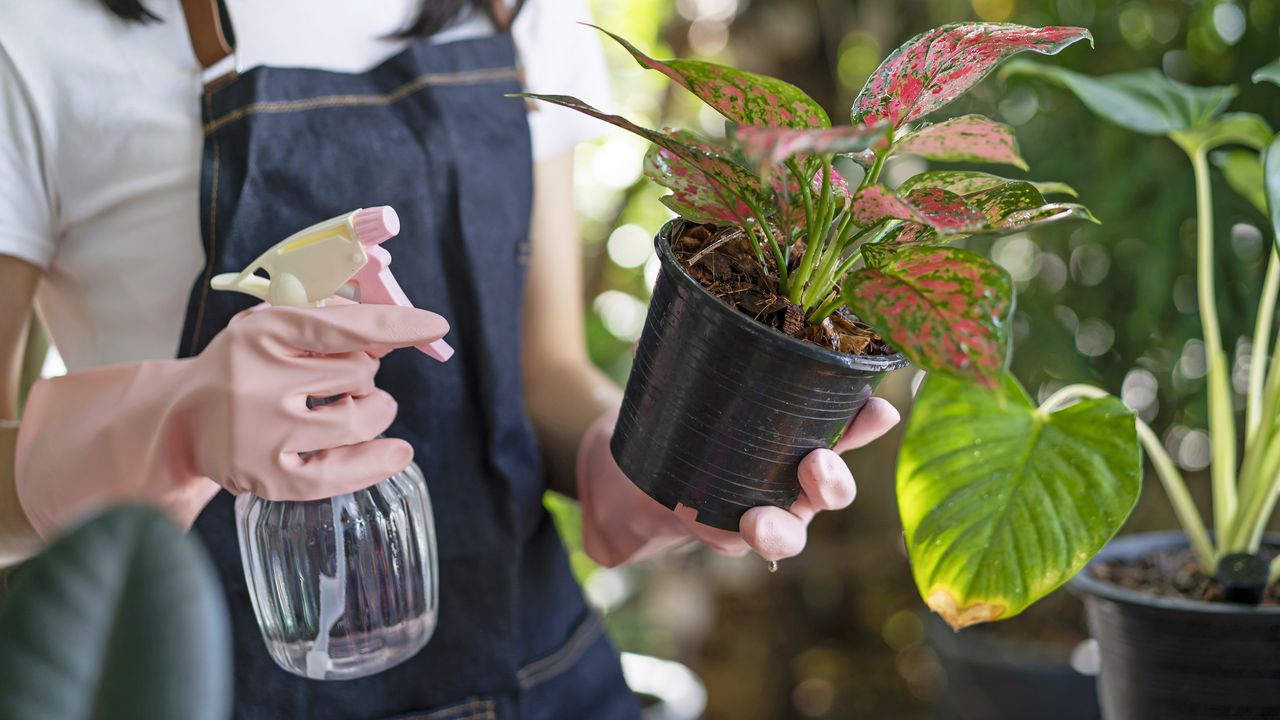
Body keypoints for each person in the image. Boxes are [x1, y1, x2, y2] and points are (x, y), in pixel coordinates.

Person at [0, 0, 901, 717]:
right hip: (203, 682)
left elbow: (541, 376)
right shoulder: (32, 32)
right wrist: (165, 427)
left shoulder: (515, 9)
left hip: (539, 672)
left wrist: (640, 474)